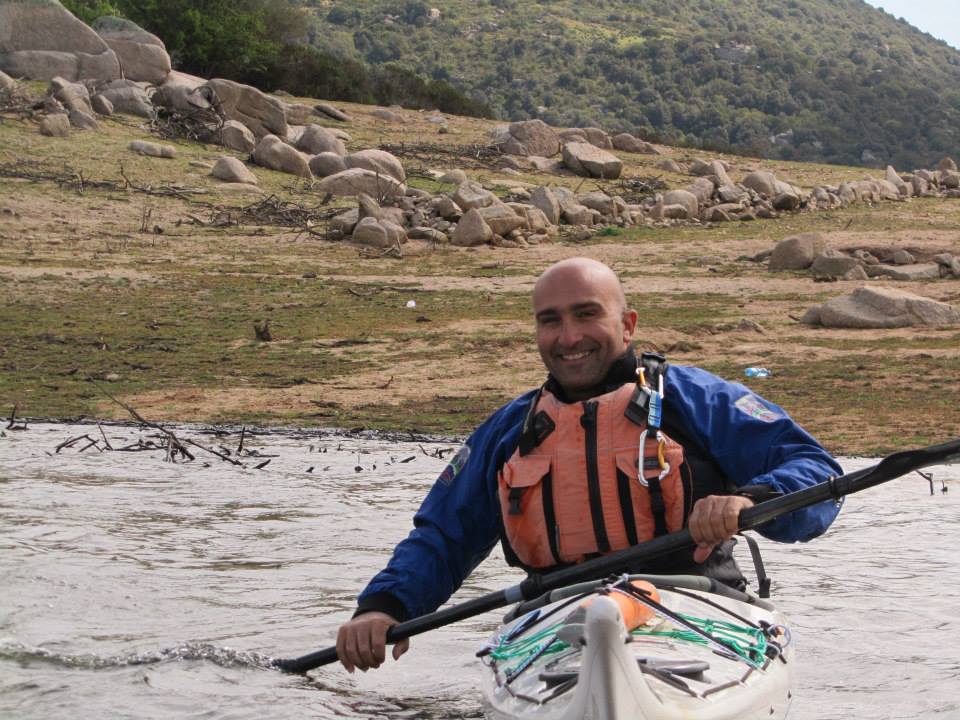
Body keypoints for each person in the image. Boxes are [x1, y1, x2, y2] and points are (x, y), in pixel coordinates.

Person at [336, 257, 842, 672]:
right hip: (554, 619)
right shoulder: (510, 429)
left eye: (586, 315)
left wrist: (751, 500)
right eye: (550, 320)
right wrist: (384, 607)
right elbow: (442, 536)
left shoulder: (697, 399)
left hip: (699, 606)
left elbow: (813, 466)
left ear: (627, 325)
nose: (569, 337)